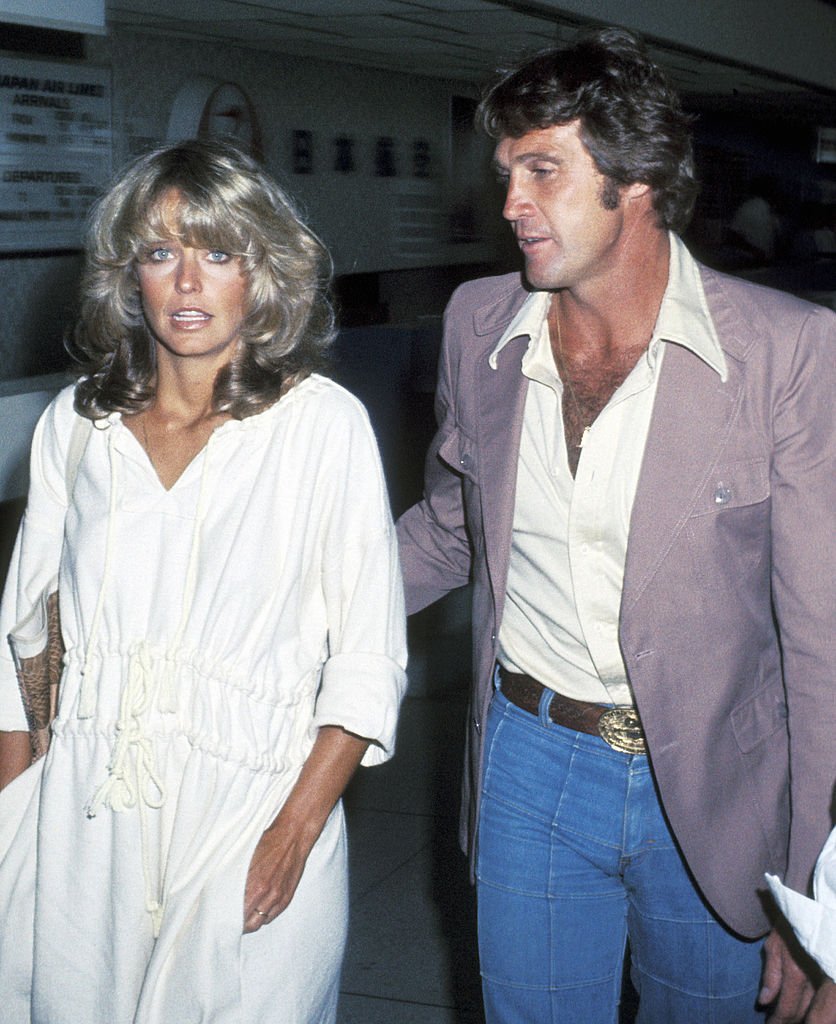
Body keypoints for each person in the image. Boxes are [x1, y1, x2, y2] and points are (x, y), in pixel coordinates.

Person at [396, 27, 836, 1024]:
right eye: (506, 170)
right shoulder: (478, 325)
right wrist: (293, 591)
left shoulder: (785, 355)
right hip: (528, 755)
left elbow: (820, 646)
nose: (508, 201)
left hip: (714, 785)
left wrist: (816, 911)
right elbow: (450, 528)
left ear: (633, 181)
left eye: (540, 170)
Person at [0, 138, 407, 1023]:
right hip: (89, 810)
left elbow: (370, 660)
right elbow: (21, 636)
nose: (187, 283)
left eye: (217, 253)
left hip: (254, 799)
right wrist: (12, 816)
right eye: (160, 253)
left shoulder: (322, 428)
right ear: (128, 275)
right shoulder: (78, 424)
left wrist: (294, 832)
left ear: (261, 272)